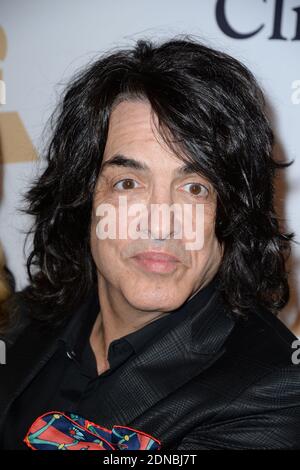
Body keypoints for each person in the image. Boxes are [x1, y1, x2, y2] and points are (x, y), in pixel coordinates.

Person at [0, 36, 299, 450]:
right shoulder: (25, 318)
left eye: (195, 188)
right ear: (84, 200)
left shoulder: (277, 392)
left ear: (234, 213)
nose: (161, 223)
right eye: (128, 183)